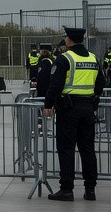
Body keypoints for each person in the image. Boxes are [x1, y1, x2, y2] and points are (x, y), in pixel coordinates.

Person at [43, 27, 104, 201]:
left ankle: (67, 189)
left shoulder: (65, 59)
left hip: (68, 110)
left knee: (66, 148)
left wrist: (48, 104)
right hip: (88, 108)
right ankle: (90, 189)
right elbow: (100, 84)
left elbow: (55, 86)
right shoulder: (93, 58)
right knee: (87, 149)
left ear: (68, 40)